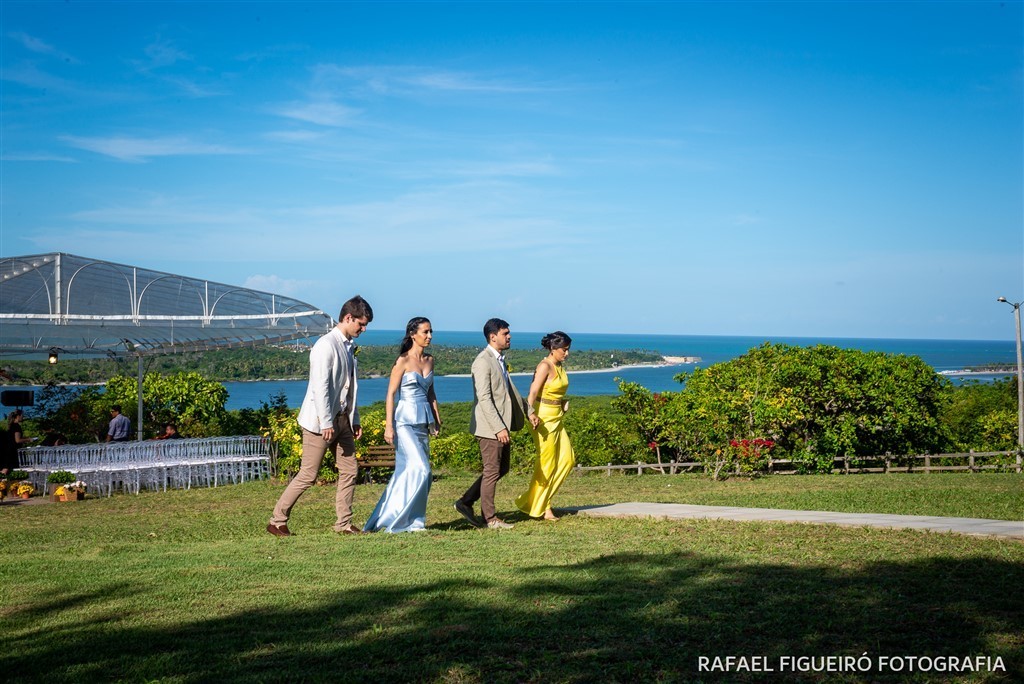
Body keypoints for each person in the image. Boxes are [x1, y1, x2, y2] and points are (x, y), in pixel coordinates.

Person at [267, 295, 373, 537]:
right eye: (361, 324)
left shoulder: (348, 346)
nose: (363, 329)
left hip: (343, 419)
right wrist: (326, 422)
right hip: (320, 422)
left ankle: (344, 523)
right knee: (308, 475)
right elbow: (320, 387)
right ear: (348, 318)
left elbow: (350, 386)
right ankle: (277, 521)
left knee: (349, 470)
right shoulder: (325, 345)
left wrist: (354, 419)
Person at [454, 318, 538, 530]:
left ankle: (465, 502)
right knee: (492, 470)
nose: (509, 336)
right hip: (490, 427)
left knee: (502, 468)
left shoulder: (499, 360)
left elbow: (510, 392)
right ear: (493, 336)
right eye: (505, 333)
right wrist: (498, 427)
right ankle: (490, 518)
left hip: (502, 424)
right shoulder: (483, 361)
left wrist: (529, 411)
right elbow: (484, 398)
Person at [363, 317, 442, 533]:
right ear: (412, 334)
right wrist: (389, 426)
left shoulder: (430, 360)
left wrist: (436, 417)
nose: (429, 336)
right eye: (425, 332)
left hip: (423, 422)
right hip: (404, 423)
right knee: (422, 469)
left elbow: (431, 392)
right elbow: (390, 394)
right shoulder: (402, 361)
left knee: (407, 472)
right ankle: (406, 521)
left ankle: (400, 518)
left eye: (430, 331)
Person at [516, 331, 576, 521]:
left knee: (568, 459)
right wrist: (530, 411)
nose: (567, 354)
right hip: (543, 420)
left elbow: (553, 391)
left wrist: (561, 403)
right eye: (564, 350)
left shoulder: (559, 366)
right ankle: (544, 507)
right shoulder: (545, 365)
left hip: (557, 418)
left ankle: (535, 500)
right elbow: (533, 391)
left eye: (568, 350)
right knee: (547, 464)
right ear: (553, 348)